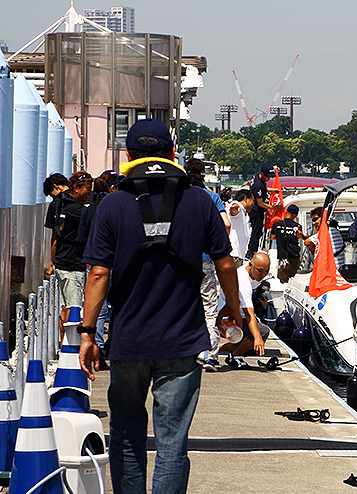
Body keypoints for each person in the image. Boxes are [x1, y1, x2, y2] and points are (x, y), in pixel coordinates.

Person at [78, 118, 242, 494]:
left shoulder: (112, 204)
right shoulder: (199, 201)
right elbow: (226, 264)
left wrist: (88, 334)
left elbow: (98, 275)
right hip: (182, 343)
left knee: (126, 435)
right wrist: (231, 309)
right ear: (172, 154)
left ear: (128, 157)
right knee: (172, 441)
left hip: (128, 341)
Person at [184, 157, 232, 373]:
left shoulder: (179, 195)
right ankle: (210, 355)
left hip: (182, 260)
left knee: (183, 305)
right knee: (209, 308)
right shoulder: (212, 197)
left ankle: (185, 351)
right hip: (206, 260)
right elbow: (227, 225)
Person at [78, 170, 121, 370]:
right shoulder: (119, 207)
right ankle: (113, 346)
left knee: (99, 308)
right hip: (117, 263)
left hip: (94, 263)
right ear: (112, 187)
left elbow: (81, 238)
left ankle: (100, 348)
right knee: (118, 306)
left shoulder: (89, 209)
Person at [44, 170, 94, 327]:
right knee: (73, 309)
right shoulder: (77, 210)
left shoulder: (57, 204)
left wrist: (53, 263)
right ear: (76, 188)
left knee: (66, 307)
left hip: (62, 262)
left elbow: (54, 238)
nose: (90, 192)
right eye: (88, 188)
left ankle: (63, 348)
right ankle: (68, 349)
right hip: (72, 265)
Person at [219, 252, 271, 370]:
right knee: (262, 332)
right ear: (251, 264)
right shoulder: (243, 281)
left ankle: (218, 348)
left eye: (266, 271)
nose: (263, 274)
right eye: (260, 270)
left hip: (236, 316)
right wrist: (257, 337)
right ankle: (235, 357)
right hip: (225, 321)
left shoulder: (251, 272)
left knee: (251, 345)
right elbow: (249, 314)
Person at [247, 164, 279, 258]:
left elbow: (263, 190)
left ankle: (251, 249)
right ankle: (252, 251)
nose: (269, 179)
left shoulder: (258, 177)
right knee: (257, 232)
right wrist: (273, 207)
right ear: (262, 174)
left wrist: (272, 190)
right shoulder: (258, 185)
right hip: (256, 210)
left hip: (257, 207)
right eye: (268, 177)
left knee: (257, 231)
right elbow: (260, 203)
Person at [271, 204, 303, 283]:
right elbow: (299, 237)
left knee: (283, 282)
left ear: (286, 212)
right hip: (295, 258)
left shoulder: (277, 224)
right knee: (295, 282)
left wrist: (280, 235)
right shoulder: (298, 226)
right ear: (296, 215)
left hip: (283, 258)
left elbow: (272, 237)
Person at [227, 189, 254, 268]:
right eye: (253, 200)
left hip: (237, 255)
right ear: (246, 199)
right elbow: (234, 210)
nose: (253, 204)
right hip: (234, 254)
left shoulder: (244, 212)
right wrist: (234, 209)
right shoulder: (239, 207)